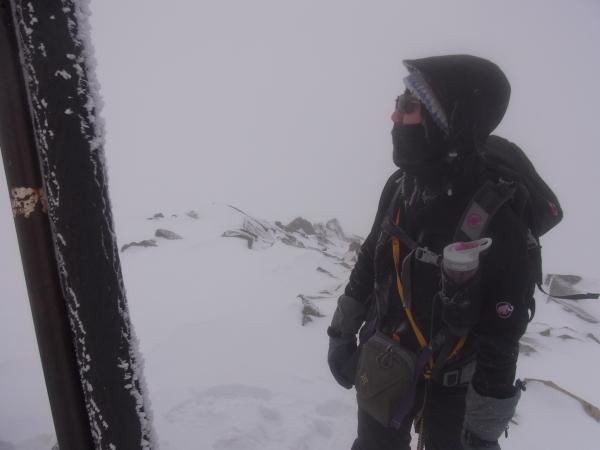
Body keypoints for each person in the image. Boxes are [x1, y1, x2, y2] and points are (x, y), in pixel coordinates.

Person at [327, 55, 533, 450]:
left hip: (456, 389)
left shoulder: (497, 220)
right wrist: (341, 330)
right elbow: (372, 256)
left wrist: (483, 431)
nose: (394, 116)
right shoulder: (400, 188)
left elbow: (502, 335)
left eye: (409, 106)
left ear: (449, 121)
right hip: (385, 360)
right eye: (398, 102)